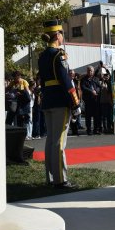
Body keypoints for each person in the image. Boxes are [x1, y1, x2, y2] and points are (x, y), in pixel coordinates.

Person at [37, 20, 80, 188]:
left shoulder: (42, 55)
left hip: (48, 100)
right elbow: (66, 81)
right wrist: (75, 103)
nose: (63, 36)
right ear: (57, 35)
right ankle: (60, 180)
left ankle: (50, 178)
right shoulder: (58, 55)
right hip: (61, 102)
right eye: (61, 33)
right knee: (59, 142)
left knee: (51, 141)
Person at [80, 66, 101, 135]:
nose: (90, 72)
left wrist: (96, 91)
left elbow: (99, 87)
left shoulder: (96, 79)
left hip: (95, 100)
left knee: (96, 115)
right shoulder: (83, 79)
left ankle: (96, 129)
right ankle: (88, 130)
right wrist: (91, 91)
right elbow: (83, 87)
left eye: (91, 71)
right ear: (87, 71)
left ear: (93, 71)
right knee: (88, 116)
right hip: (88, 100)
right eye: (89, 70)